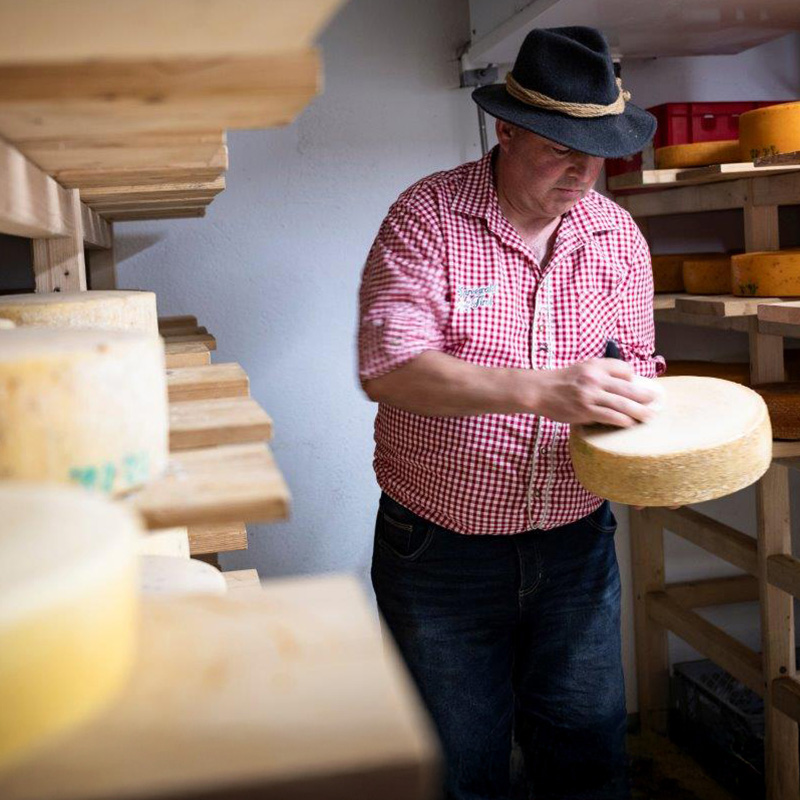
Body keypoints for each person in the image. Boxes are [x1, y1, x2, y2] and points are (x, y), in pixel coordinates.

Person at [357, 26, 665, 800]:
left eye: (597, 151)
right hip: (441, 551)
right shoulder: (428, 216)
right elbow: (390, 368)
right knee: (459, 767)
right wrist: (539, 387)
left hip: (576, 545)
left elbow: (636, 371)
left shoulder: (616, 234)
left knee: (589, 757)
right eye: (562, 147)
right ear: (506, 129)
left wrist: (653, 427)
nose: (583, 172)